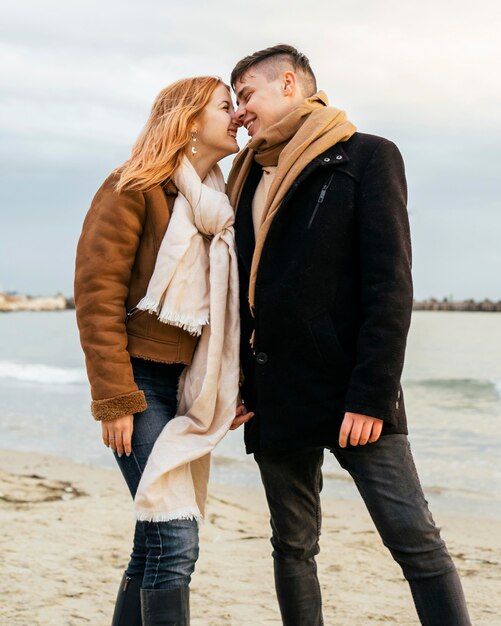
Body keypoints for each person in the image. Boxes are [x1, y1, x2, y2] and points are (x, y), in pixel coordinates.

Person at [227, 44, 472, 626]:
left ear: (289, 84)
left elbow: (390, 284)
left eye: (247, 97)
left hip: (350, 393)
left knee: (414, 540)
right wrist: (239, 381)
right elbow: (240, 292)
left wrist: (370, 395)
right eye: (234, 103)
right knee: (292, 546)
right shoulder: (244, 177)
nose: (240, 114)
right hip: (274, 393)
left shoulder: (367, 157)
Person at [74, 76, 252, 626]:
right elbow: (96, 297)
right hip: (141, 385)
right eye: (227, 106)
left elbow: (229, 315)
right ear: (191, 120)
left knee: (151, 542)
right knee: (175, 537)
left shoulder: (220, 206)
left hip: (188, 388)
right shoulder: (131, 188)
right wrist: (116, 399)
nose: (239, 116)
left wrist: (229, 392)